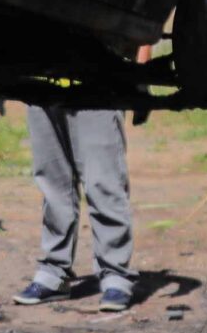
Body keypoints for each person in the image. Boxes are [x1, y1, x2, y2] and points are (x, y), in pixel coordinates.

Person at [12, 103, 136, 313]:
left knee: (103, 180)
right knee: (53, 182)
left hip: (94, 86)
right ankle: (54, 273)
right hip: (38, 84)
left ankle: (116, 276)